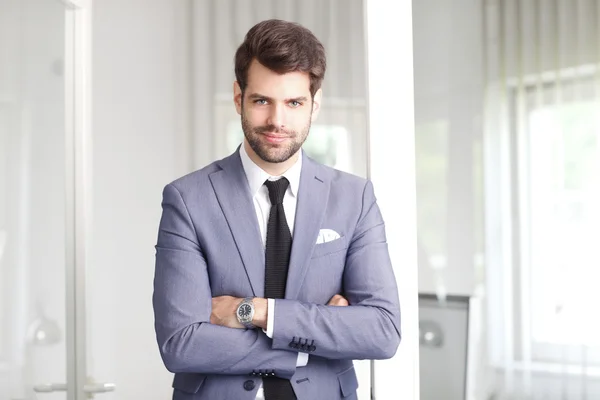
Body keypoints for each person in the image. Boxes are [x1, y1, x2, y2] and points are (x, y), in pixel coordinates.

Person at [153, 19, 401, 400]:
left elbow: (383, 331)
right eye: (262, 100)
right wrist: (315, 338)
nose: (277, 121)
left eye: (294, 103)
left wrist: (255, 312)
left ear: (314, 105)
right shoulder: (188, 199)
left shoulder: (354, 198)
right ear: (239, 97)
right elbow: (181, 343)